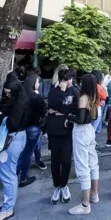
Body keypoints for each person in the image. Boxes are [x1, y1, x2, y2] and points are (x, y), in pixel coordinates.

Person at [0, 77, 28, 220]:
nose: (7, 95)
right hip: (17, 137)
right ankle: (6, 202)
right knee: (8, 173)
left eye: (9, 93)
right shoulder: (21, 100)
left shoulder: (18, 104)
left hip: (12, 138)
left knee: (8, 174)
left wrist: (1, 116)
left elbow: (12, 123)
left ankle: (7, 208)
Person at [66, 74, 100, 215]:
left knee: (82, 167)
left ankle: (85, 205)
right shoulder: (95, 97)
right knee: (93, 163)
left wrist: (69, 117)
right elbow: (95, 116)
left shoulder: (83, 98)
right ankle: (94, 194)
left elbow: (79, 119)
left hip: (81, 132)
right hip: (90, 131)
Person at [46, 69, 79, 205]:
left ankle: (64, 185)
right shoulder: (54, 90)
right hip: (54, 129)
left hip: (68, 130)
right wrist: (63, 94)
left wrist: (61, 110)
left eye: (70, 78)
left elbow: (73, 109)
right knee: (55, 161)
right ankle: (56, 186)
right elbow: (52, 105)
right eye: (66, 79)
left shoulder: (75, 91)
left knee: (66, 160)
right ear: (60, 80)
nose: (69, 81)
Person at [17, 74, 47, 187]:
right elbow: (44, 112)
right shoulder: (36, 97)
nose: (38, 84)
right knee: (27, 153)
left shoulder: (20, 96)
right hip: (33, 128)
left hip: (21, 128)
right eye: (37, 82)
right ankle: (23, 178)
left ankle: (16, 172)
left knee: (22, 152)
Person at [91, 70, 107, 135]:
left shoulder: (89, 85)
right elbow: (104, 97)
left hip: (90, 107)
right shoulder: (97, 86)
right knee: (93, 128)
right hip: (97, 108)